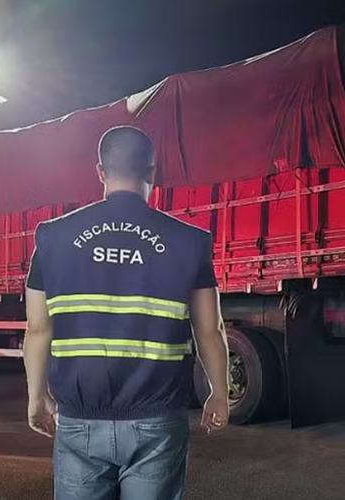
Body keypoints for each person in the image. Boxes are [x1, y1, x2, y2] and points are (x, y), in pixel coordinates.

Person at [23, 125, 230, 500]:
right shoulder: (190, 241)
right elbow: (209, 329)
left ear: (100, 171)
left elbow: (38, 329)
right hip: (157, 421)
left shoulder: (52, 237)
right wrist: (219, 392)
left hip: (80, 420)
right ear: (152, 172)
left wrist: (37, 397)